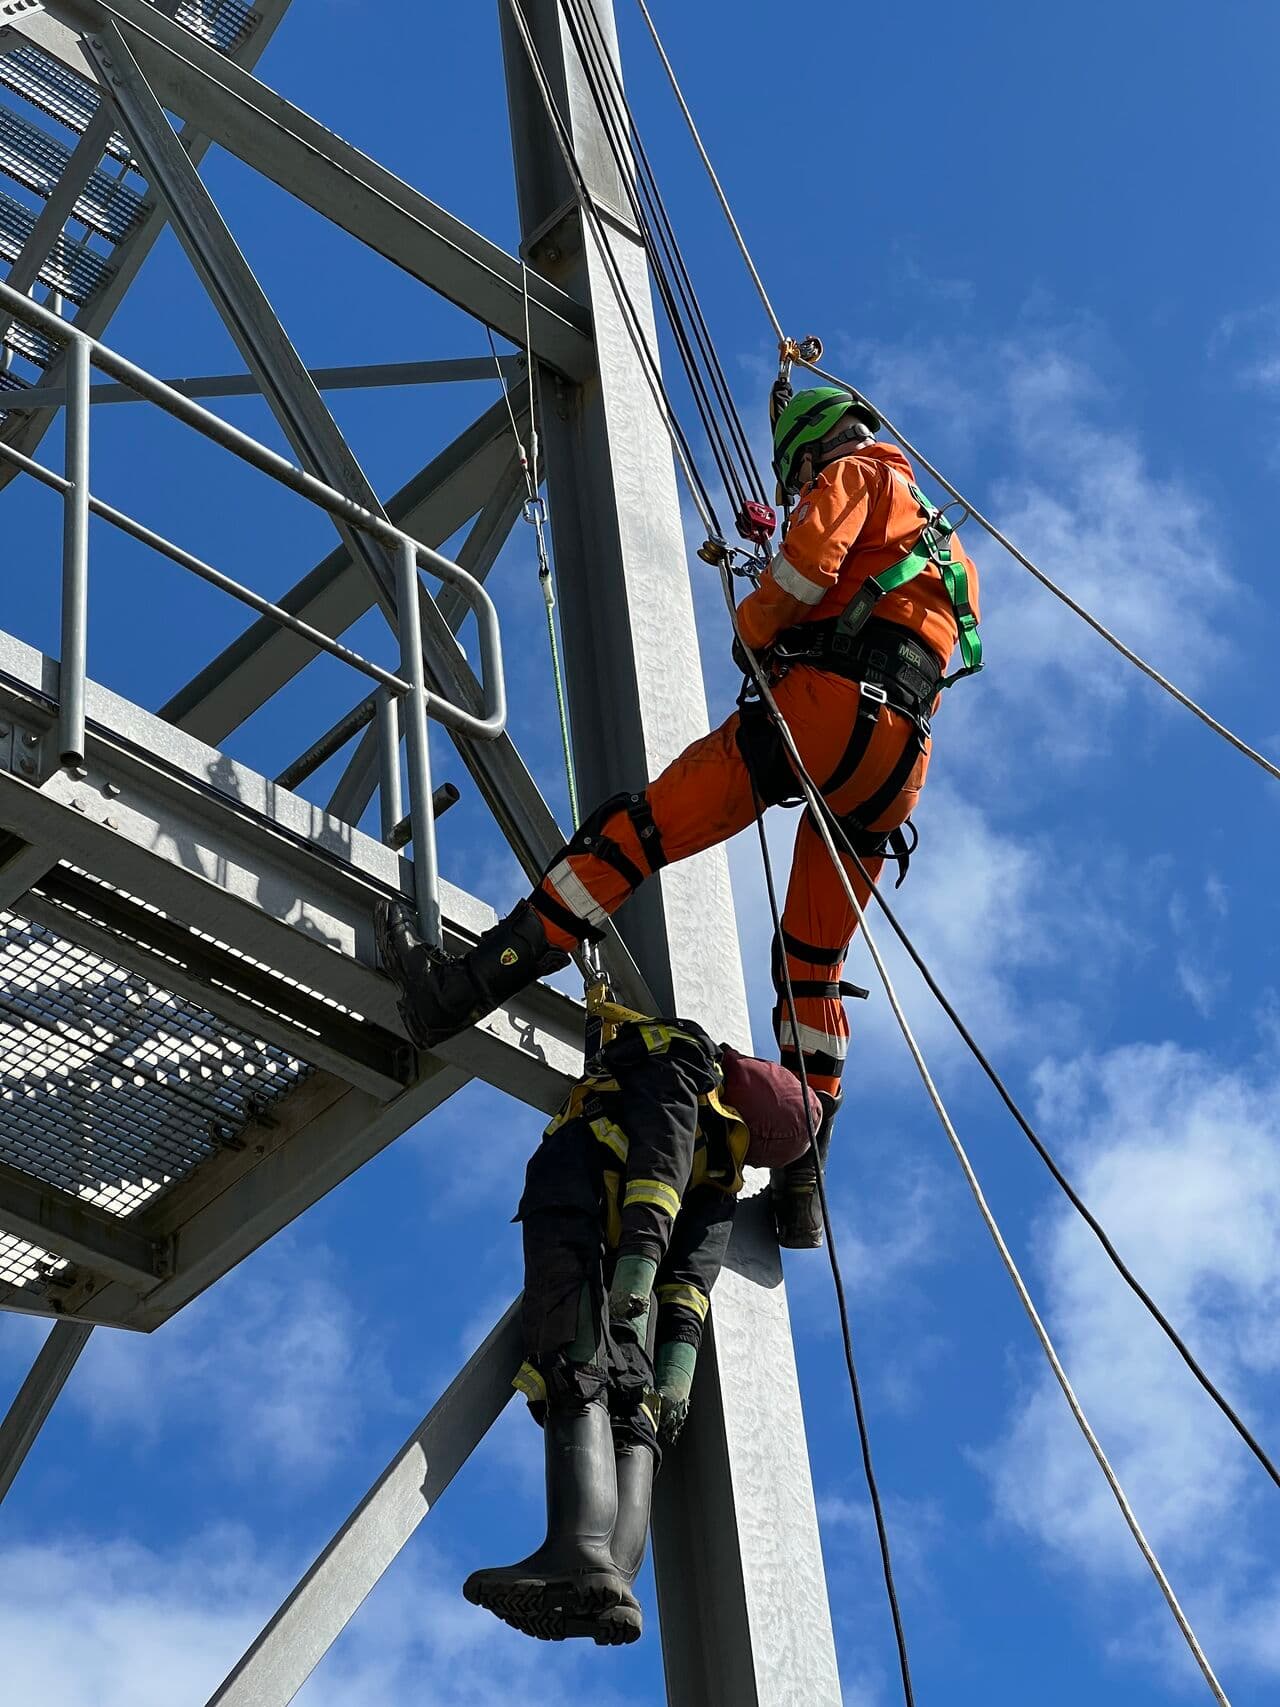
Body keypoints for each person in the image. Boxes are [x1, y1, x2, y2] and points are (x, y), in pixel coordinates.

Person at [376, 386, 981, 1250]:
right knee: (810, 964)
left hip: (822, 712)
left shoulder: (852, 475)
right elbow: (898, 613)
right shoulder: (944, 539)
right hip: (897, 766)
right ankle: (805, 1180)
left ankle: (459, 991)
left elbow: (807, 567)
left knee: (633, 834)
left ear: (809, 452)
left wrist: (755, 622)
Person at [456, 1008, 818, 1644]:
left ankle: (576, 1554)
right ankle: (614, 1579)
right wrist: (675, 1370)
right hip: (629, 1272)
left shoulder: (677, 1061)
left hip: (582, 1209)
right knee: (636, 1407)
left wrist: (635, 1269)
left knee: (575, 1369)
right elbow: (692, 1283)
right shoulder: (725, 1172)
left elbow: (659, 1165)